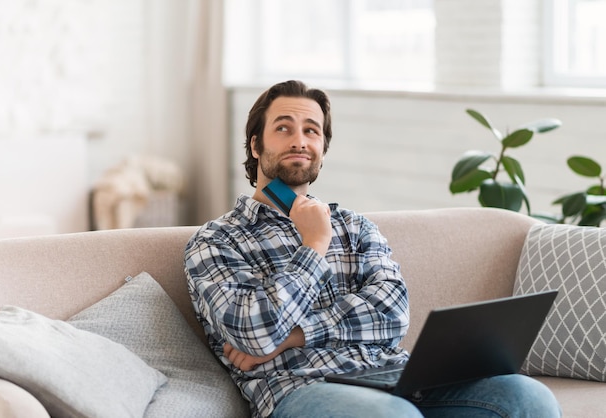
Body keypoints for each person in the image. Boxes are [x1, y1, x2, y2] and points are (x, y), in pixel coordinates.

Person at [184, 80, 561, 418]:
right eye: (283, 128)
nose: (299, 140)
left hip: (396, 377)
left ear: (322, 149)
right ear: (256, 144)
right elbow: (252, 332)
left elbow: (393, 314)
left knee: (527, 397)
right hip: (303, 390)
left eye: (311, 131)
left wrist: (294, 335)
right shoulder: (217, 240)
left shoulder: (355, 226)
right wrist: (315, 244)